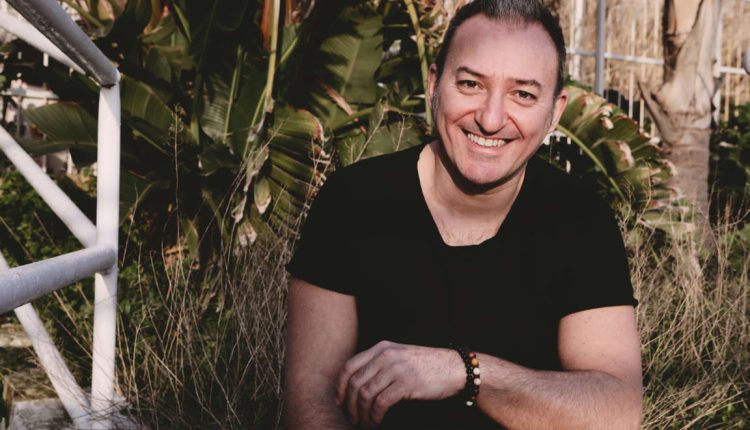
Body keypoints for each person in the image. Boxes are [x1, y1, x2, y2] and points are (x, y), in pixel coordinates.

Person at [283, 1, 643, 428]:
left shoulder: (579, 222)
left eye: (523, 95)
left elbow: (617, 413)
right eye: (471, 84)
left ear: (555, 112)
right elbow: (311, 393)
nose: (490, 119)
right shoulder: (354, 202)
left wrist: (466, 372)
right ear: (434, 85)